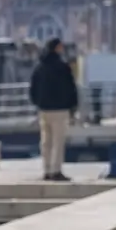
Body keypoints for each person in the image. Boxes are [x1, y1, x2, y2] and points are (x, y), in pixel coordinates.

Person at [28, 37, 78, 182]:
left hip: (44, 109)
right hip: (60, 110)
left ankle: (47, 169)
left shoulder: (39, 68)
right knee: (58, 141)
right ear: (57, 48)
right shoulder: (63, 67)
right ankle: (56, 170)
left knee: (46, 142)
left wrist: (38, 103)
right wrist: (72, 106)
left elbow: (33, 89)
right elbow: (71, 88)